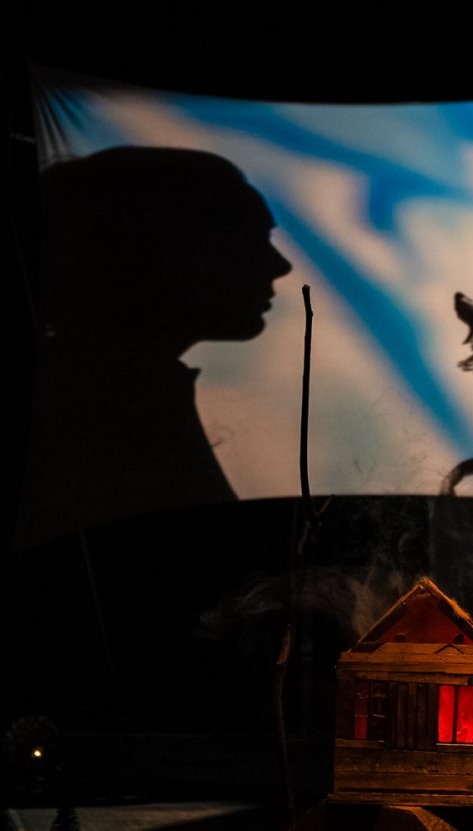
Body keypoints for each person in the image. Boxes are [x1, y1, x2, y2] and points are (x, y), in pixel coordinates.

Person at [15, 147, 292, 547]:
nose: (280, 265)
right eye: (252, 239)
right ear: (172, 248)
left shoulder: (100, 393)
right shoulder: (99, 414)